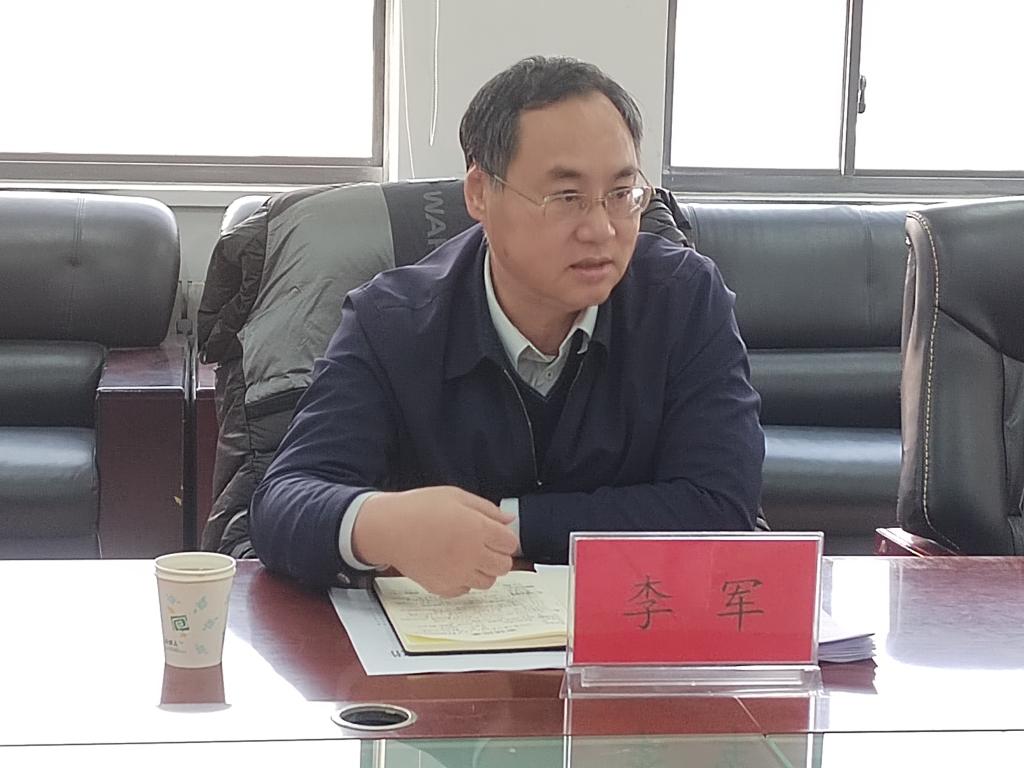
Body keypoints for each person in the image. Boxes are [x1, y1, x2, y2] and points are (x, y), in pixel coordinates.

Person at [249, 56, 765, 594]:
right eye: (566, 197)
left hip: (629, 624)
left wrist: (508, 526)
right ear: (479, 192)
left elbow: (721, 505)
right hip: (446, 638)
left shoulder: (684, 299)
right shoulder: (391, 323)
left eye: (621, 194)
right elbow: (282, 501)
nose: (602, 229)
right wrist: (381, 525)